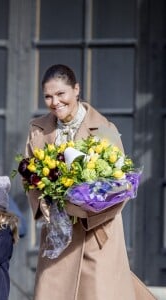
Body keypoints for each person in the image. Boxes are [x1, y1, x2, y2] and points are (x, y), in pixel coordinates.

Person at [24, 64, 156, 300]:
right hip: (58, 236)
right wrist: (42, 202)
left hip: (96, 235)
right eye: (48, 96)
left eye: (60, 94)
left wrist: (86, 210)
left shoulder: (104, 129)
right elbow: (30, 175)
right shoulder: (37, 130)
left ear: (76, 90)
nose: (55, 102)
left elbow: (120, 186)